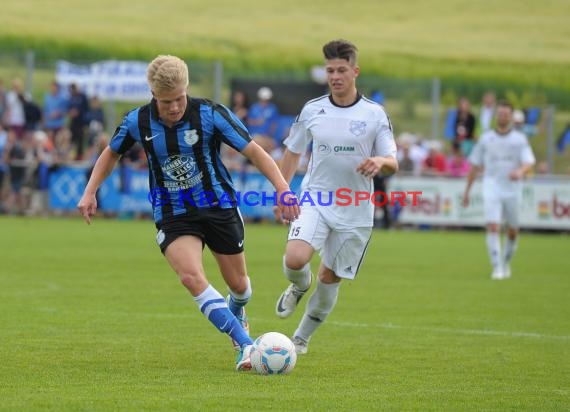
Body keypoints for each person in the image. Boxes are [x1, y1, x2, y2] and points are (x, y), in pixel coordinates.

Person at [77, 55, 299, 371]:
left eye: (180, 98)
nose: (174, 107)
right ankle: (246, 345)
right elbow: (111, 153)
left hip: (218, 205)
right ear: (154, 95)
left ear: (187, 88)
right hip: (173, 213)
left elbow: (253, 151)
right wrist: (89, 191)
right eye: (166, 101)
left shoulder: (210, 113)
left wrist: (282, 188)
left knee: (240, 286)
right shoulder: (137, 122)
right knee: (191, 277)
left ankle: (238, 308)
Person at [272, 40, 398, 354]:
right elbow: (292, 152)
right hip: (316, 199)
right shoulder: (313, 109)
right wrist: (283, 192)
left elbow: (393, 162)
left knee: (330, 275)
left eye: (342, 70)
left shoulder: (374, 114)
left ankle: (301, 339)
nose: (335, 76)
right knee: (295, 259)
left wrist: (380, 162)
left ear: (355, 71)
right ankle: (300, 285)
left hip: (355, 210)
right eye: (330, 70)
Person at [462, 100, 535, 280]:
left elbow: (528, 162)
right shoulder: (486, 139)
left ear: (510, 116)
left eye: (506, 114)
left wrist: (520, 171)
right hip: (491, 186)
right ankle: (497, 267)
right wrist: (467, 192)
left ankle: (505, 261)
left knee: (512, 231)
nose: (502, 117)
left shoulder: (519, 139)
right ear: (496, 116)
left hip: (512, 189)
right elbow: (474, 166)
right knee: (493, 226)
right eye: (500, 114)